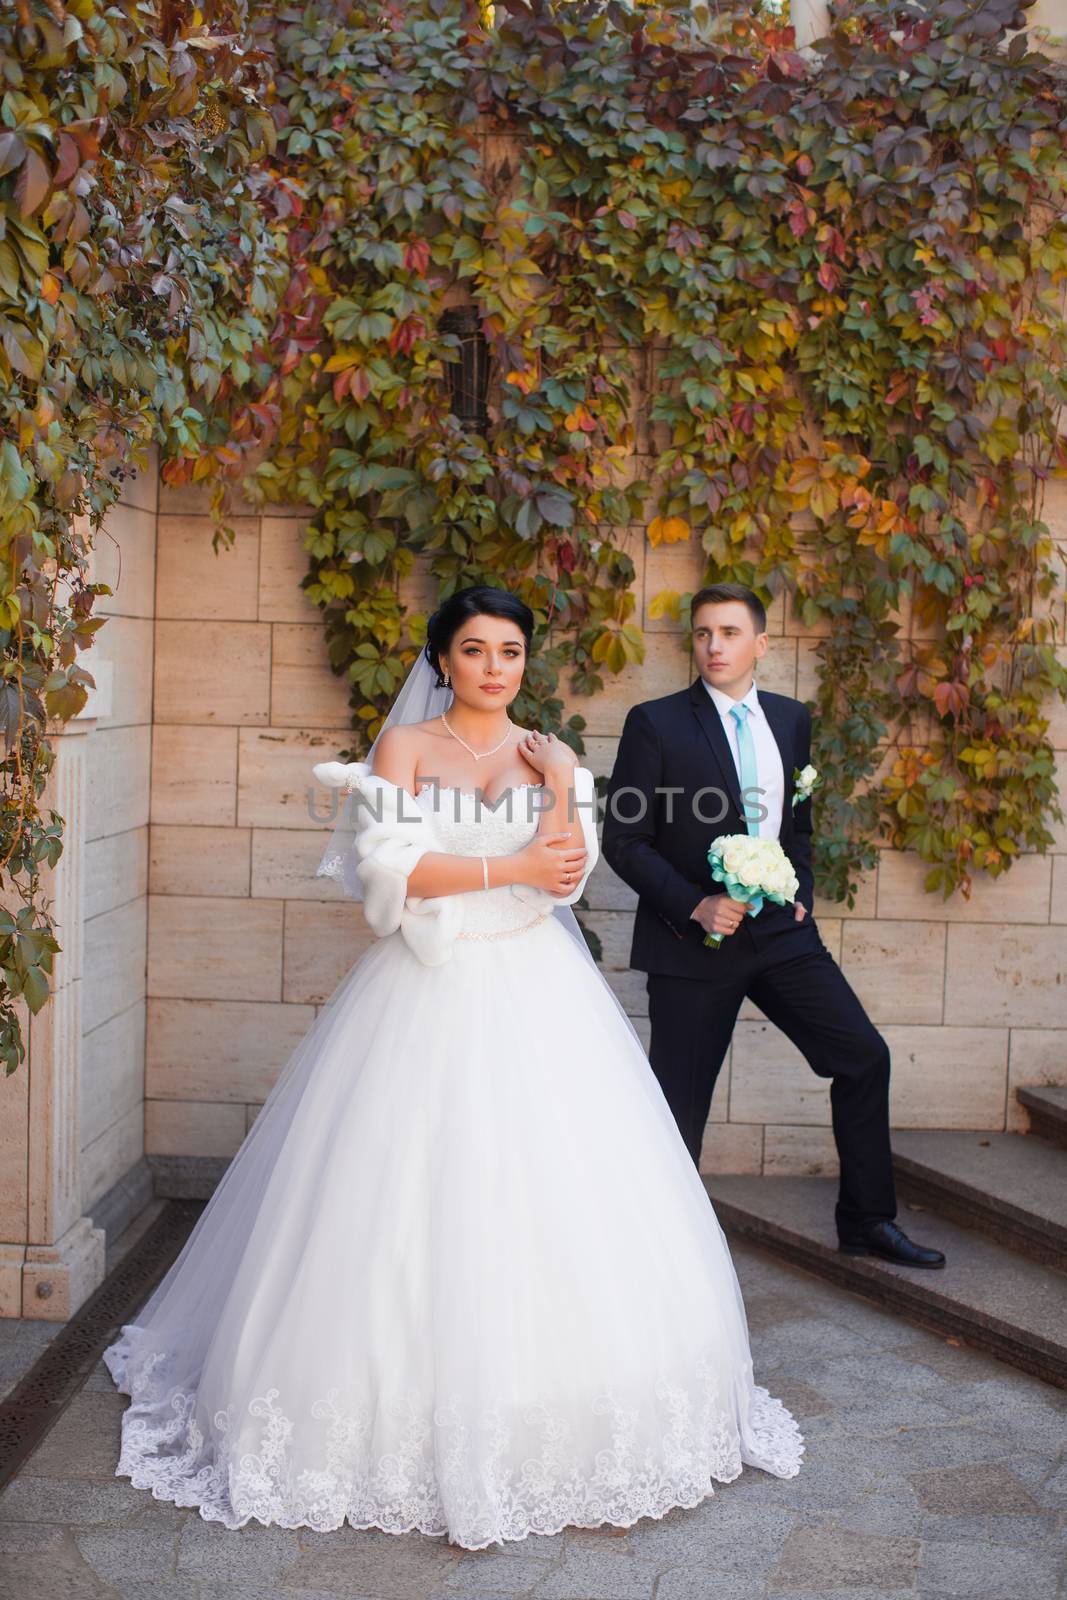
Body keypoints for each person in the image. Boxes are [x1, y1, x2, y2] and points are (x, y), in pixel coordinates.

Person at [102, 583, 803, 1552]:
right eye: (474, 649)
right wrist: (507, 867)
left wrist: (559, 780)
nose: (493, 667)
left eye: (509, 651)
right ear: (441, 660)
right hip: (421, 982)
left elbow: (565, 868)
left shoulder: (543, 751)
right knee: (393, 1192)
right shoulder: (406, 750)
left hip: (533, 982)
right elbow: (390, 879)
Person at [601, 582, 946, 1270]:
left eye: (728, 633)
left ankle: (866, 1222)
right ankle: (653, 1257)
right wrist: (694, 904)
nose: (713, 646)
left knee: (861, 1056)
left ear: (761, 643)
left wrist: (801, 894)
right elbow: (624, 838)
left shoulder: (791, 720)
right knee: (677, 1108)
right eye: (702, 633)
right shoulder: (655, 722)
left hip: (781, 937)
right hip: (693, 943)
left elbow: (798, 823)